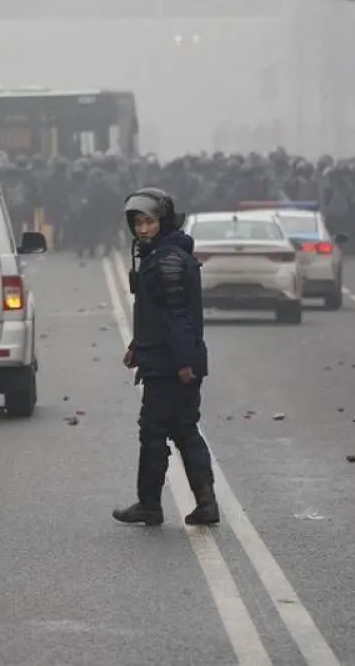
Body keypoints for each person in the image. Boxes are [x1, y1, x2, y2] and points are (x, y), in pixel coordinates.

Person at [112, 187, 218, 528]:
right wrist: (137, 345)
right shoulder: (160, 255)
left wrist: (184, 362)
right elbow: (155, 313)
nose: (143, 229)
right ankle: (205, 504)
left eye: (149, 222)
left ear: (164, 221)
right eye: (138, 223)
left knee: (155, 430)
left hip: (170, 364)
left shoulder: (167, 260)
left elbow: (177, 315)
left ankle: (150, 505)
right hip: (165, 357)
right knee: (183, 429)